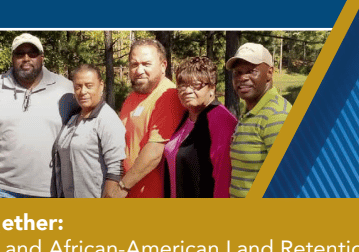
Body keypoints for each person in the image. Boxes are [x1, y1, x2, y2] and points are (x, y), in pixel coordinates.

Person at [0, 33, 79, 198]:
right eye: (20, 54)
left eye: (32, 53)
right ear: (12, 58)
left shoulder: (66, 89)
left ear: (41, 57)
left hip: (49, 191)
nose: (26, 58)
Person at [112, 39, 185, 198]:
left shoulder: (168, 96)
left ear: (163, 65)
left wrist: (122, 187)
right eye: (134, 64)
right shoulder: (131, 98)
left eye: (146, 64)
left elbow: (154, 152)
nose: (139, 70)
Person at [225, 42, 292, 198]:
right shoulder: (252, 112)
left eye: (251, 71)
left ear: (269, 72)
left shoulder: (277, 115)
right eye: (237, 72)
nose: (242, 78)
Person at [164, 57, 236, 198]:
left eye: (195, 85)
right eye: (182, 85)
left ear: (212, 88)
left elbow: (224, 179)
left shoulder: (220, 120)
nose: (187, 90)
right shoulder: (186, 117)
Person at [52, 65, 126, 198]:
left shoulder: (107, 119)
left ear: (101, 86)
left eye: (89, 85)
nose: (83, 91)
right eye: (78, 87)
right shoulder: (73, 119)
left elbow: (116, 169)